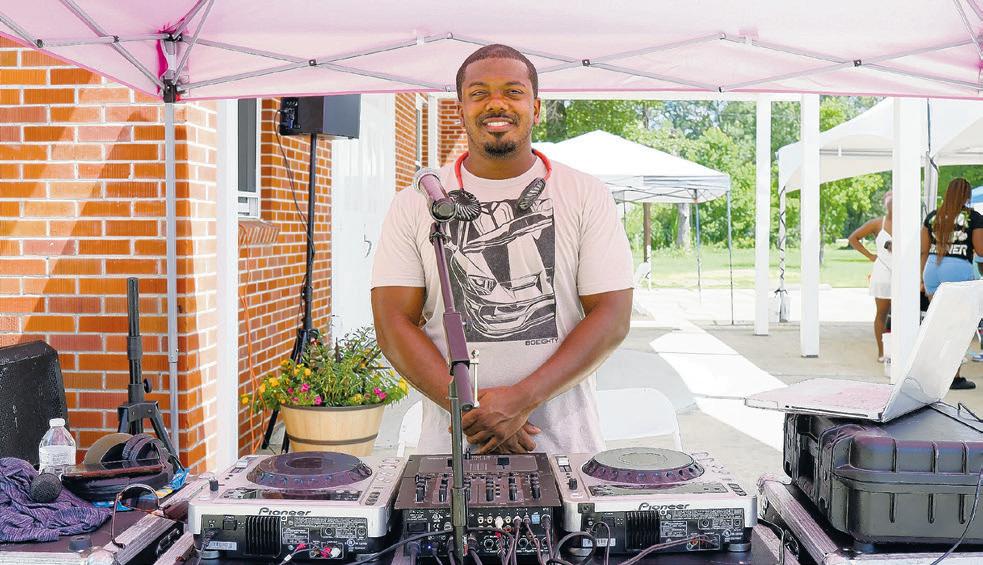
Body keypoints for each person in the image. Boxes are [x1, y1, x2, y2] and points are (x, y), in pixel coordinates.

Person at [370, 45, 634, 455]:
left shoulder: (585, 194)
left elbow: (612, 315)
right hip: (452, 452)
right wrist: (472, 410)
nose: (496, 103)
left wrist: (522, 399)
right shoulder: (416, 203)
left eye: (513, 92)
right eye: (479, 93)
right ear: (460, 110)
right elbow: (393, 322)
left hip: (565, 448)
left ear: (536, 108)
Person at [921, 177, 983, 389]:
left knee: (938, 324)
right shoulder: (974, 217)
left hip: (932, 269)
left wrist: (921, 279)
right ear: (967, 195)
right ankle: (953, 377)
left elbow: (923, 250)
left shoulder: (933, 216)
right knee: (958, 327)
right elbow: (980, 249)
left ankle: (931, 373)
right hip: (957, 269)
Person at [848, 191, 893, 362]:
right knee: (882, 313)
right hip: (882, 272)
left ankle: (898, 351)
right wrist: (871, 256)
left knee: (902, 314)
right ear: (885, 204)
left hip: (902, 273)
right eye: (889, 200)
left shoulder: (907, 223)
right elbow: (853, 238)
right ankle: (882, 352)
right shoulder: (877, 223)